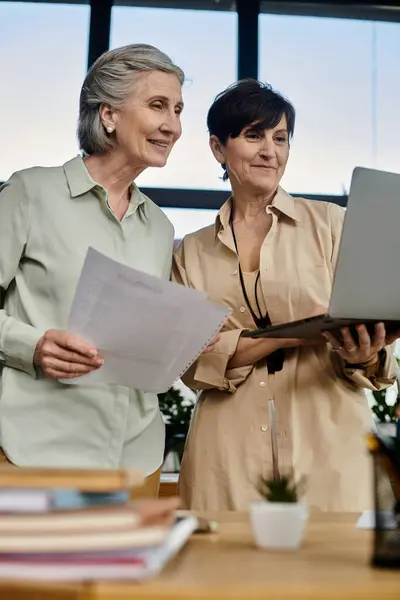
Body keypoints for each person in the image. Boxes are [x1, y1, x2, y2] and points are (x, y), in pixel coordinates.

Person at [172, 79, 399, 512]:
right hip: (226, 456)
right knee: (229, 576)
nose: (269, 151)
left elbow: (373, 346)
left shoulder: (334, 225)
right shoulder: (190, 252)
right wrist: (295, 334)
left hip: (330, 449)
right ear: (219, 149)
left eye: (280, 138)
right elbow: (190, 360)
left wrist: (362, 354)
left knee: (335, 576)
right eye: (253, 135)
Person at [0, 43, 185, 497]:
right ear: (108, 115)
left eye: (178, 110)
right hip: (36, 455)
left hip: (137, 461)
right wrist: (32, 344)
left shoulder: (160, 227)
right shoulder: (30, 193)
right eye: (158, 105)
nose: (173, 126)